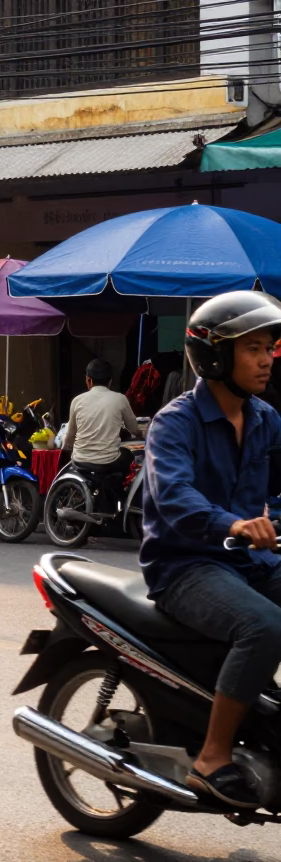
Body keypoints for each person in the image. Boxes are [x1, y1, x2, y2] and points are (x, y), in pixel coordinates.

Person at [142, 291, 281, 809]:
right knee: (264, 626)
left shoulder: (265, 418)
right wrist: (236, 524)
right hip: (186, 564)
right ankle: (211, 757)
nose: (267, 359)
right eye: (253, 349)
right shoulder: (174, 423)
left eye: (269, 347)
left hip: (249, 560)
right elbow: (175, 497)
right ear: (217, 355)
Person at [63, 358, 141, 481]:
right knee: (128, 456)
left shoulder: (77, 401)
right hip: (109, 462)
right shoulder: (120, 399)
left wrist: (67, 447)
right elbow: (135, 430)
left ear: (88, 380)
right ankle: (121, 494)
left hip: (80, 460)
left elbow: (70, 436)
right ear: (110, 381)